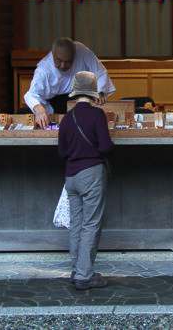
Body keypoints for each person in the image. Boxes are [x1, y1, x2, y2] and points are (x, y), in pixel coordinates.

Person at [58, 71, 113, 290]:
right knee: (91, 223)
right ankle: (83, 275)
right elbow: (105, 146)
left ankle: (78, 268)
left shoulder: (67, 118)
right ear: (93, 92)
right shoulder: (97, 115)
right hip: (91, 173)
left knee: (77, 224)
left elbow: (62, 151)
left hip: (70, 176)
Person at [25, 37, 116, 128]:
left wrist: (100, 91)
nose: (63, 65)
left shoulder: (82, 51)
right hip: (53, 102)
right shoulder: (43, 69)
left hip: (78, 96)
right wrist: (39, 109)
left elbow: (100, 72)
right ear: (53, 54)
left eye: (68, 61)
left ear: (74, 55)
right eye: (59, 60)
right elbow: (30, 95)